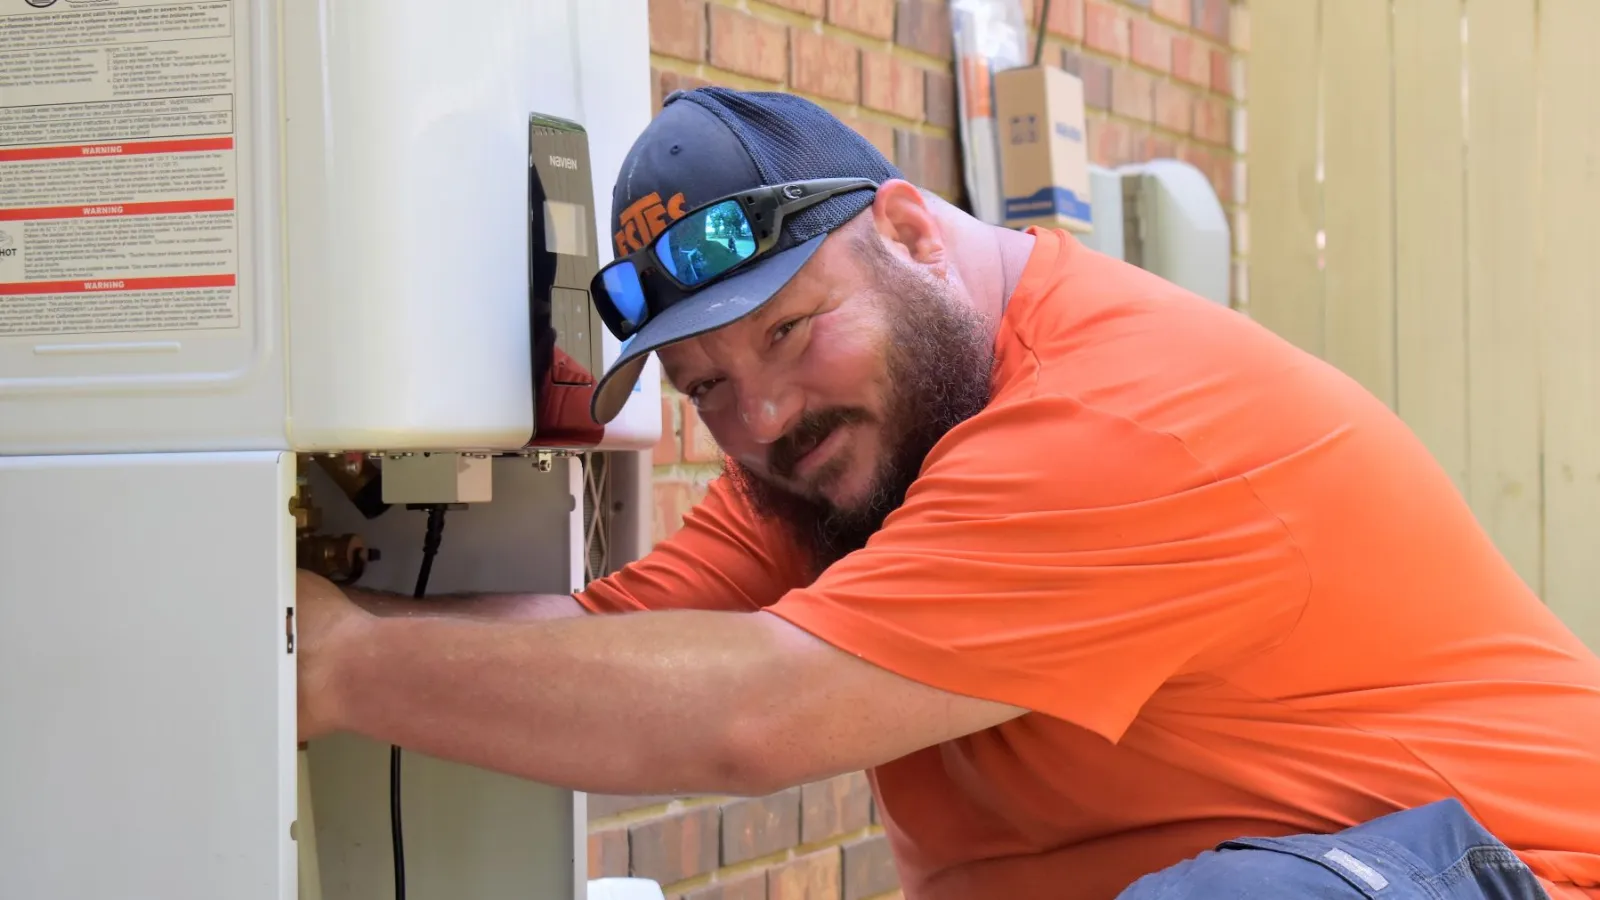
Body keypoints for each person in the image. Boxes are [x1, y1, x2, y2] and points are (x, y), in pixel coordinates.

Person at [294, 87, 1600, 899]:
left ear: (912, 232)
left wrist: (343, 665)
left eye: (792, 330)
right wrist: (293, 619)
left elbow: (755, 715)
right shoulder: (840, 451)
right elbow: (605, 657)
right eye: (707, 386)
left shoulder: (1105, 423)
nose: (762, 416)